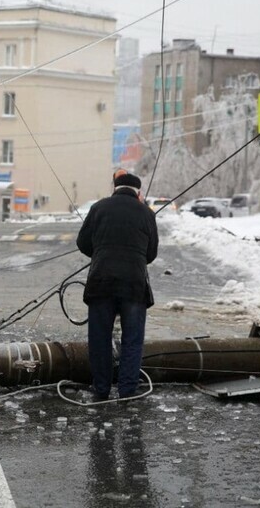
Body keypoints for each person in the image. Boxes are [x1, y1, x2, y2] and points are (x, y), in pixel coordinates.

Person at [76, 170, 158, 401]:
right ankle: (127, 390)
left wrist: (102, 252)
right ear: (138, 192)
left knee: (99, 338)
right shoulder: (146, 213)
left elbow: (82, 243)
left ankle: (101, 388)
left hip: (101, 282)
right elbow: (150, 253)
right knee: (132, 340)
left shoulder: (99, 208)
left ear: (115, 187)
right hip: (134, 285)